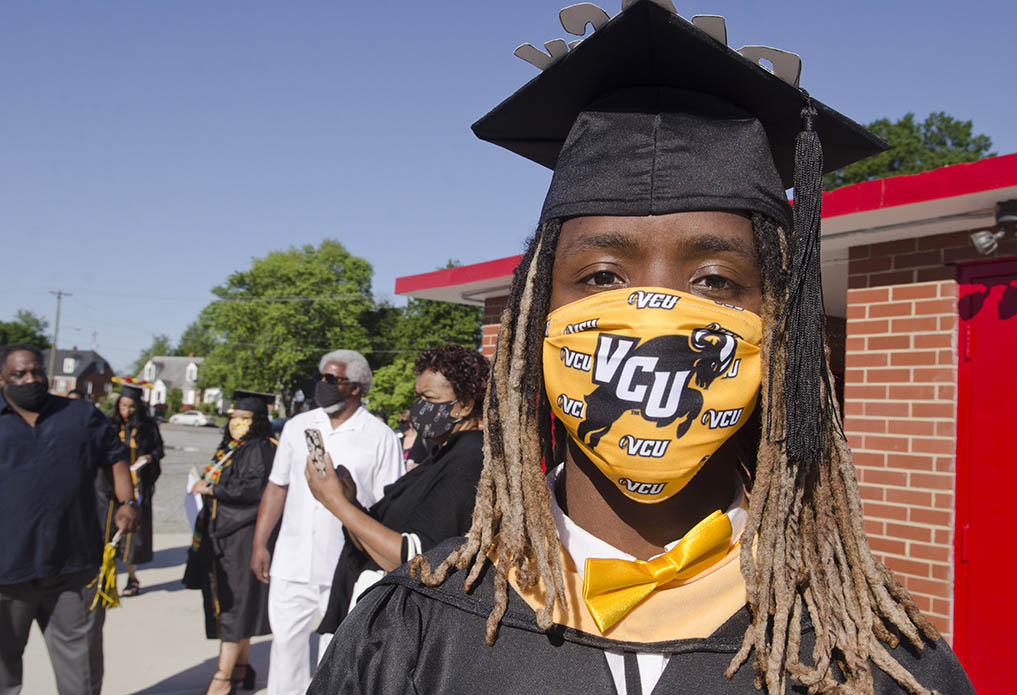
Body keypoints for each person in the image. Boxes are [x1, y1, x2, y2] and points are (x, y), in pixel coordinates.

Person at [309, 4, 974, 695]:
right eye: (601, 276)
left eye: (715, 280)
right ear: (538, 317)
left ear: (781, 329)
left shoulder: (867, 661)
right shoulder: (418, 626)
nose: (652, 314)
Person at [251, 349, 403, 695]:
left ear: (357, 387)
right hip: (291, 563)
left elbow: (387, 507)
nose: (323, 385)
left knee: (334, 659)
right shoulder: (297, 427)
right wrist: (260, 542)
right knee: (285, 652)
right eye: (321, 377)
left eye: (332, 379)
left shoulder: (379, 437)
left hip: (344, 568)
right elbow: (277, 487)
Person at [306, 344, 488, 631]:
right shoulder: (441, 455)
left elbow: (416, 560)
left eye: (429, 398)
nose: (420, 408)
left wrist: (336, 504)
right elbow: (378, 539)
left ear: (464, 405)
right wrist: (349, 501)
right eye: (418, 397)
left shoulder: (468, 459)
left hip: (403, 628)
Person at [0, 344, 140, 695]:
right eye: (19, 374)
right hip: (7, 573)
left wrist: (128, 500)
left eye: (35, 371)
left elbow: (115, 456)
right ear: (3, 378)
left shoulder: (80, 415)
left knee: (81, 674)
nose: (30, 379)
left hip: (73, 568)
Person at [184, 390, 279, 695]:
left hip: (241, 536)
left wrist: (212, 489)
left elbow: (253, 490)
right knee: (240, 601)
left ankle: (222, 679)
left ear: (257, 420)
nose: (237, 423)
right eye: (234, 418)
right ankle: (241, 668)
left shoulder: (259, 448)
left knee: (235, 604)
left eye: (243, 418)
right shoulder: (236, 447)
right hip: (228, 533)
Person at [95, 383, 164, 597]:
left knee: (132, 533)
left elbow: (158, 449)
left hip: (136, 483)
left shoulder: (147, 426)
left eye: (131, 406)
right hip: (108, 485)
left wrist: (149, 457)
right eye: (123, 405)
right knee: (107, 529)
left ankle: (132, 578)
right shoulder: (108, 424)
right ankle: (107, 575)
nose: (126, 410)